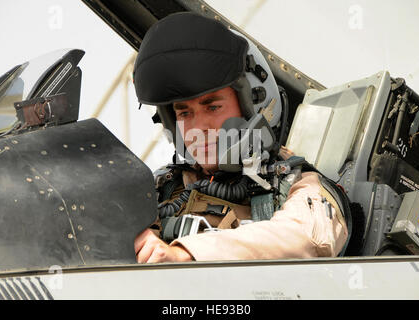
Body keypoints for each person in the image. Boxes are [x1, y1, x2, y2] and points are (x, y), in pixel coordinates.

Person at [133, 12, 349, 263]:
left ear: (253, 105)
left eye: (213, 107)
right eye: (184, 113)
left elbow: (304, 239)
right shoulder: (163, 186)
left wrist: (184, 255)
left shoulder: (298, 186)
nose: (198, 127)